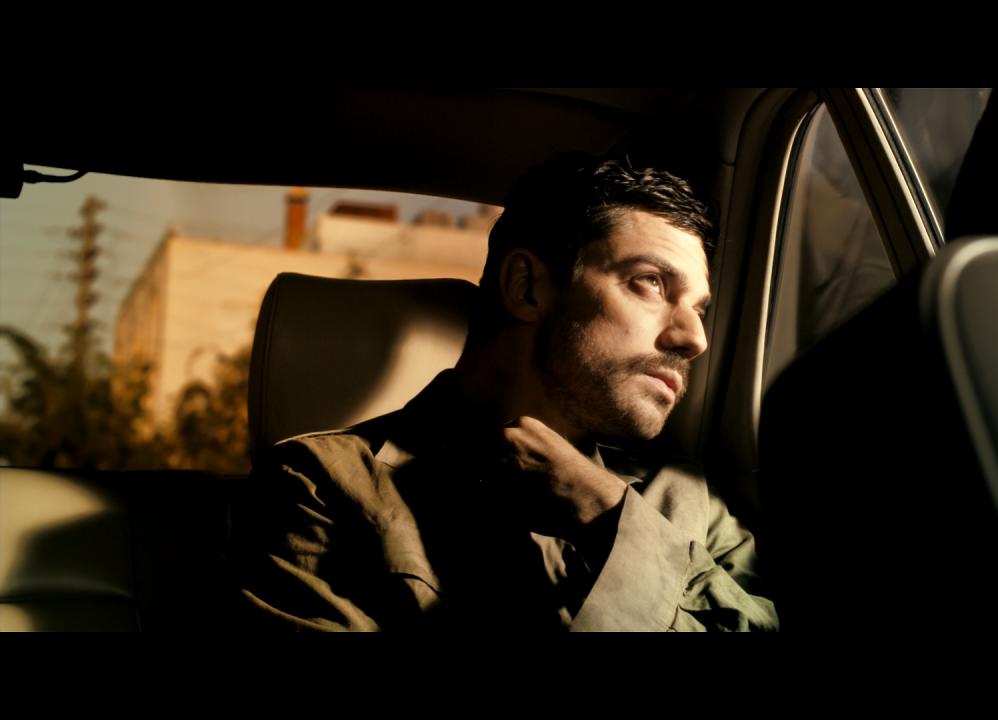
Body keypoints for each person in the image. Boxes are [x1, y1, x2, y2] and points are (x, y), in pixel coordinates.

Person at [230, 156, 778, 631]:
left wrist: (609, 516)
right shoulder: (321, 487)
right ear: (527, 287)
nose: (695, 339)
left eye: (698, 308)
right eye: (651, 282)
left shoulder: (692, 503)